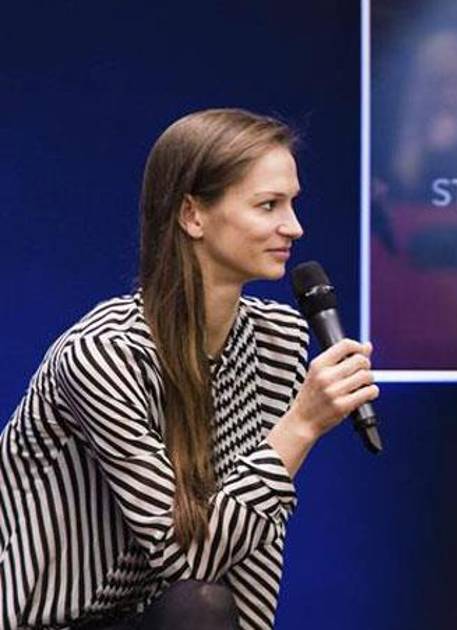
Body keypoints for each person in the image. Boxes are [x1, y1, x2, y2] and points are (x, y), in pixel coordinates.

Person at [0, 109, 379, 629]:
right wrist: (301, 424)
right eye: (268, 205)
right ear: (192, 215)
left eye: (292, 203)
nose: (294, 227)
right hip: (44, 622)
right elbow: (184, 558)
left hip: (166, 616)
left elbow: (250, 552)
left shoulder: (279, 340)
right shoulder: (105, 354)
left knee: (202, 605)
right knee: (197, 602)